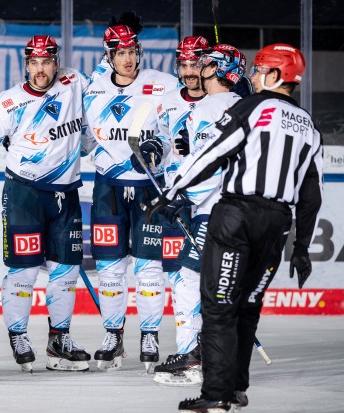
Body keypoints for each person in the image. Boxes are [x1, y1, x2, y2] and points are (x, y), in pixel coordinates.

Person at [148, 44, 321, 412]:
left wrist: (172, 192)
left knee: (218, 306)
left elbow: (211, 155)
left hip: (236, 216)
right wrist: (302, 247)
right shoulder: (309, 125)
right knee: (247, 307)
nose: (253, 76)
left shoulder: (251, 107)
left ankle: (215, 395)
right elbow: (311, 195)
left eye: (260, 70)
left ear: (276, 76)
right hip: (277, 225)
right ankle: (237, 390)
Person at [0, 35, 91, 372]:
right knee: (23, 269)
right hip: (24, 194)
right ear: (26, 64)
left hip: (65, 194)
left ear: (56, 62)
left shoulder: (74, 82)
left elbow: (106, 96)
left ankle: (59, 339)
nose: (41, 69)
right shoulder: (8, 102)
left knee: (66, 272)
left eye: (47, 61)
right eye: (34, 63)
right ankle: (18, 334)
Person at [81, 13, 179, 372]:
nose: (127, 58)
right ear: (108, 54)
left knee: (150, 269)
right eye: (120, 51)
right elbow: (77, 131)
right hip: (107, 186)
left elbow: (175, 130)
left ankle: (150, 334)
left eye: (132, 50)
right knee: (109, 269)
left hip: (149, 188)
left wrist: (158, 148)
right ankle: (113, 334)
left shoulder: (164, 84)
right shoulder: (91, 84)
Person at [152, 44, 246, 387]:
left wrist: (177, 195)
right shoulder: (241, 105)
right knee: (221, 284)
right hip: (239, 210)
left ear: (216, 71)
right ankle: (222, 358)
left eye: (205, 64)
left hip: (213, 209)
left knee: (190, 279)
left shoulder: (208, 107)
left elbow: (210, 164)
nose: (198, 70)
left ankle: (193, 357)